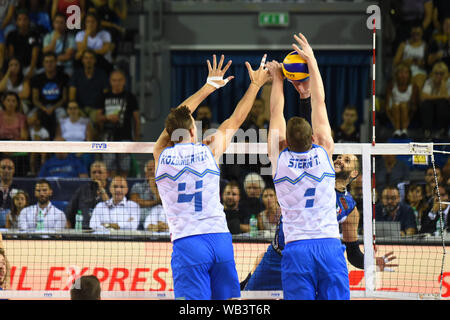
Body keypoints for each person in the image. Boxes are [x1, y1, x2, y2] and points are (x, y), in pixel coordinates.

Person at [153, 53, 270, 300]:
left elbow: (175, 121)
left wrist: (207, 88)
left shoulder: (161, 155)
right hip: (219, 239)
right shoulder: (209, 151)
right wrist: (256, 85)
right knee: (230, 304)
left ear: (171, 133)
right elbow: (237, 119)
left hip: (187, 243)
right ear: (193, 129)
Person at [265, 33, 349, 300]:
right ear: (313, 138)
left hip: (297, 248)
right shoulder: (324, 151)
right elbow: (319, 103)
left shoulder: (280, 159)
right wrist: (312, 62)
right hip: (329, 244)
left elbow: (275, 113)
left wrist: (278, 79)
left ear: (286, 141)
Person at [242, 154, 398, 292]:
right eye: (339, 157)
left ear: (354, 173)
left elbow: (353, 253)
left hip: (308, 262)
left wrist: (371, 263)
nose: (339, 160)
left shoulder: (349, 208)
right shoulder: (313, 177)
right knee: (247, 295)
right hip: (278, 256)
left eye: (347, 160)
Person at [96, 69, 140, 177]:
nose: (117, 83)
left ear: (124, 81)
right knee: (110, 168)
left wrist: (136, 138)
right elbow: (97, 117)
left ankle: (122, 190)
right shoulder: (104, 97)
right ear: (110, 81)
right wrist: (108, 117)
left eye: (119, 80)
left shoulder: (130, 97)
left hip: (125, 137)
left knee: (124, 168)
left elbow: (136, 119)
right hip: (108, 138)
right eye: (114, 80)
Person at [30, 52, 69, 139]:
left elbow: (64, 98)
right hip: (41, 106)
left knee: (63, 118)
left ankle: (58, 140)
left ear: (56, 62)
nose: (49, 64)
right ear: (43, 63)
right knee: (30, 119)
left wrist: (53, 108)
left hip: (58, 106)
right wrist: (44, 108)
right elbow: (35, 99)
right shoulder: (37, 78)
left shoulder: (64, 77)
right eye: (47, 62)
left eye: (51, 61)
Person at [68, 49, 109, 125]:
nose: (88, 60)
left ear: (95, 60)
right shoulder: (76, 74)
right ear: (82, 60)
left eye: (91, 58)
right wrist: (75, 109)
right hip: (80, 108)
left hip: (96, 109)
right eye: (86, 58)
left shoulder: (102, 74)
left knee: (97, 120)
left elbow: (106, 95)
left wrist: (101, 109)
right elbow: (72, 96)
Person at [65, 161, 110, 229]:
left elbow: (112, 209)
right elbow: (69, 213)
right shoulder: (82, 190)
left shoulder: (112, 189)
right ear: (90, 174)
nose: (97, 175)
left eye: (100, 172)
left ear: (106, 174)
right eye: (94, 172)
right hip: (84, 230)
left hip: (105, 230)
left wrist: (101, 189)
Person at [385, 63, 420, 138]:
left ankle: (404, 130)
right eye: (400, 72)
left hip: (408, 110)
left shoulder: (413, 86)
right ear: (396, 74)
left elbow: (414, 105)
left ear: (409, 74)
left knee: (403, 105)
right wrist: (392, 119)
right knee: (396, 105)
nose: (403, 75)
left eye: (405, 72)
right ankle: (397, 130)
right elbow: (387, 106)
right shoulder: (391, 86)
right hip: (394, 109)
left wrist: (406, 109)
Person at [5, 10, 40, 81]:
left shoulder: (34, 34)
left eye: (25, 19)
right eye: (20, 19)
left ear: (29, 21)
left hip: (29, 66)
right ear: (16, 22)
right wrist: (13, 68)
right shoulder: (11, 35)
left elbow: (35, 54)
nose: (22, 22)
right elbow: (11, 54)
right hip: (16, 65)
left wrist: (31, 70)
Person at [419, 61, 450, 139]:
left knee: (442, 103)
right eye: (436, 73)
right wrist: (440, 96)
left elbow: (447, 98)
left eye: (441, 73)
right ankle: (427, 131)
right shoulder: (429, 81)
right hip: (432, 110)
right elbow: (423, 96)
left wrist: (442, 83)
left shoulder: (448, 82)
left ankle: (443, 130)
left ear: (446, 74)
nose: (438, 75)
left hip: (444, 109)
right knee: (426, 104)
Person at [129, 159, 161, 230]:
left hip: (159, 218)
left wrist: (153, 187)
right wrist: (156, 202)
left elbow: (164, 203)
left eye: (155, 169)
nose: (153, 172)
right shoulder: (137, 186)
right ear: (146, 173)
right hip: (140, 217)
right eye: (150, 169)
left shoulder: (165, 187)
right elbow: (135, 201)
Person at [393, 25, 428, 90]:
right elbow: (395, 62)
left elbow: (427, 63)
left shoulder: (425, 46)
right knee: (403, 75)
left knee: (419, 80)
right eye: (414, 33)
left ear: (422, 33)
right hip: (405, 69)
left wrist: (421, 63)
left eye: (418, 33)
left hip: (419, 70)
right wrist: (405, 62)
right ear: (411, 33)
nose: (415, 35)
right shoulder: (404, 45)